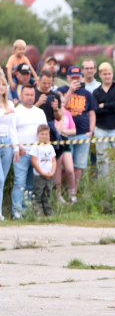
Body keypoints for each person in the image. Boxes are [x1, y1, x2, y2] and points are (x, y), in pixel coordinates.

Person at [12, 86, 47, 219]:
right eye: (26, 94)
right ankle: (17, 212)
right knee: (19, 183)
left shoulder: (40, 112)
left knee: (31, 184)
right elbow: (13, 131)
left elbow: (45, 131)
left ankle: (27, 212)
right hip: (21, 153)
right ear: (21, 96)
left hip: (36, 154)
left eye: (32, 95)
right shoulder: (16, 112)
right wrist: (17, 147)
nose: (29, 97)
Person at [58, 66, 96, 186]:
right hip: (66, 134)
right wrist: (71, 91)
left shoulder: (87, 93)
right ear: (68, 77)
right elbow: (62, 106)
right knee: (65, 166)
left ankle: (75, 191)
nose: (76, 80)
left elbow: (91, 113)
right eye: (73, 77)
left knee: (79, 165)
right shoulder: (61, 90)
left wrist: (91, 130)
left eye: (78, 77)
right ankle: (63, 189)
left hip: (83, 133)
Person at [0, 75, 18, 220]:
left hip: (7, 142)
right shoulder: (6, 109)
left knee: (2, 180)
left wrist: (16, 148)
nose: (1, 87)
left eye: (3, 84)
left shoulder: (10, 104)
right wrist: (3, 113)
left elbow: (13, 128)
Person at [30, 125, 56, 217]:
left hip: (49, 175)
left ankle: (47, 213)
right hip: (39, 175)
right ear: (38, 134)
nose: (45, 136)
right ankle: (37, 213)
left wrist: (52, 172)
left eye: (46, 134)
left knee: (47, 194)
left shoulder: (50, 147)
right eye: (42, 134)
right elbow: (33, 161)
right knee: (38, 194)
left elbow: (53, 160)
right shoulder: (35, 146)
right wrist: (42, 173)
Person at [54, 103, 76, 204]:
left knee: (70, 170)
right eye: (60, 102)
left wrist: (63, 131)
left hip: (66, 143)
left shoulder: (67, 113)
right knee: (57, 170)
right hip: (57, 144)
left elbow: (74, 130)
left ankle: (72, 194)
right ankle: (58, 195)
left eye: (64, 102)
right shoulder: (53, 113)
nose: (62, 105)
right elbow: (56, 132)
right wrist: (61, 118)